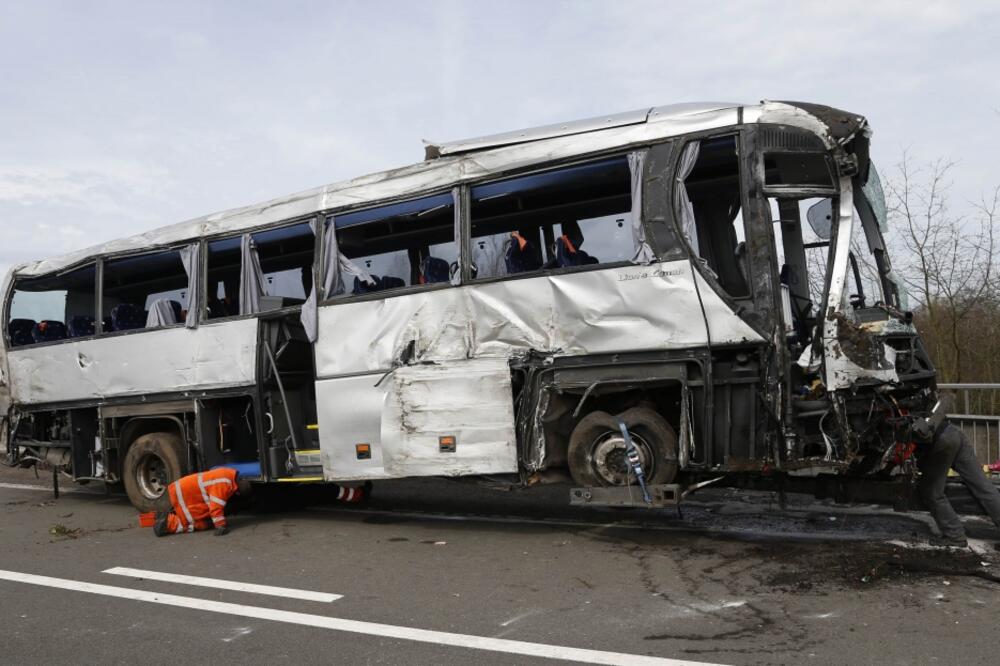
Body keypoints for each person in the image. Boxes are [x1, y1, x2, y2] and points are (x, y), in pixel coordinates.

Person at [912, 403, 1000, 548]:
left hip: (942, 442)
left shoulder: (897, 423)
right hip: (953, 432)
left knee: (932, 492)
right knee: (983, 486)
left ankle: (954, 535)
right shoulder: (917, 408)